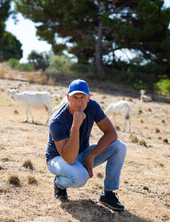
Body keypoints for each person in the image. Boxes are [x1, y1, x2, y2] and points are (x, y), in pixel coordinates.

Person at [45, 79, 127, 211]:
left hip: (81, 154)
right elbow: (69, 158)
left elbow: (111, 133)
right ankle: (59, 183)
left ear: (89, 97)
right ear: (67, 98)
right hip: (58, 159)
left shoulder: (92, 106)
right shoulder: (57, 121)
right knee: (80, 177)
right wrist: (75, 126)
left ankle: (108, 194)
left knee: (119, 147)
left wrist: (91, 155)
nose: (79, 102)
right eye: (75, 97)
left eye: (83, 97)